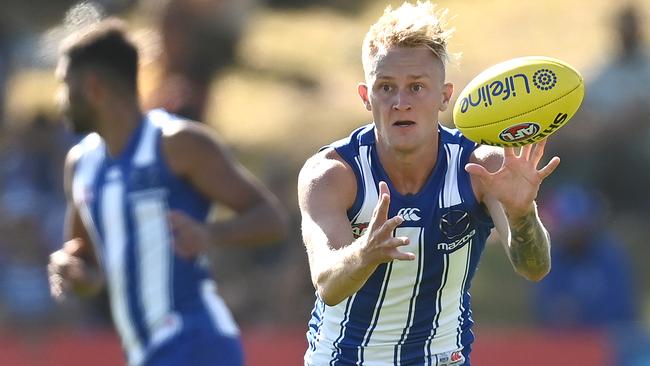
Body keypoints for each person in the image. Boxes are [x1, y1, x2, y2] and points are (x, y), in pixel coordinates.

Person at [298, 2, 559, 365]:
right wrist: (365, 253)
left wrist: (521, 214)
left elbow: (534, 268)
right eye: (386, 87)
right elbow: (327, 283)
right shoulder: (331, 174)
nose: (401, 102)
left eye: (417, 87)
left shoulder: (481, 168)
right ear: (365, 96)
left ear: (445, 95)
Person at [47, 18, 287, 366]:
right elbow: (89, 268)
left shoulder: (178, 143)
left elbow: (272, 220)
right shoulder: (81, 164)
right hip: (144, 352)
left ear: (94, 87)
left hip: (196, 343)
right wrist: (71, 271)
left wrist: (210, 233)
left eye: (65, 85)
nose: (60, 100)